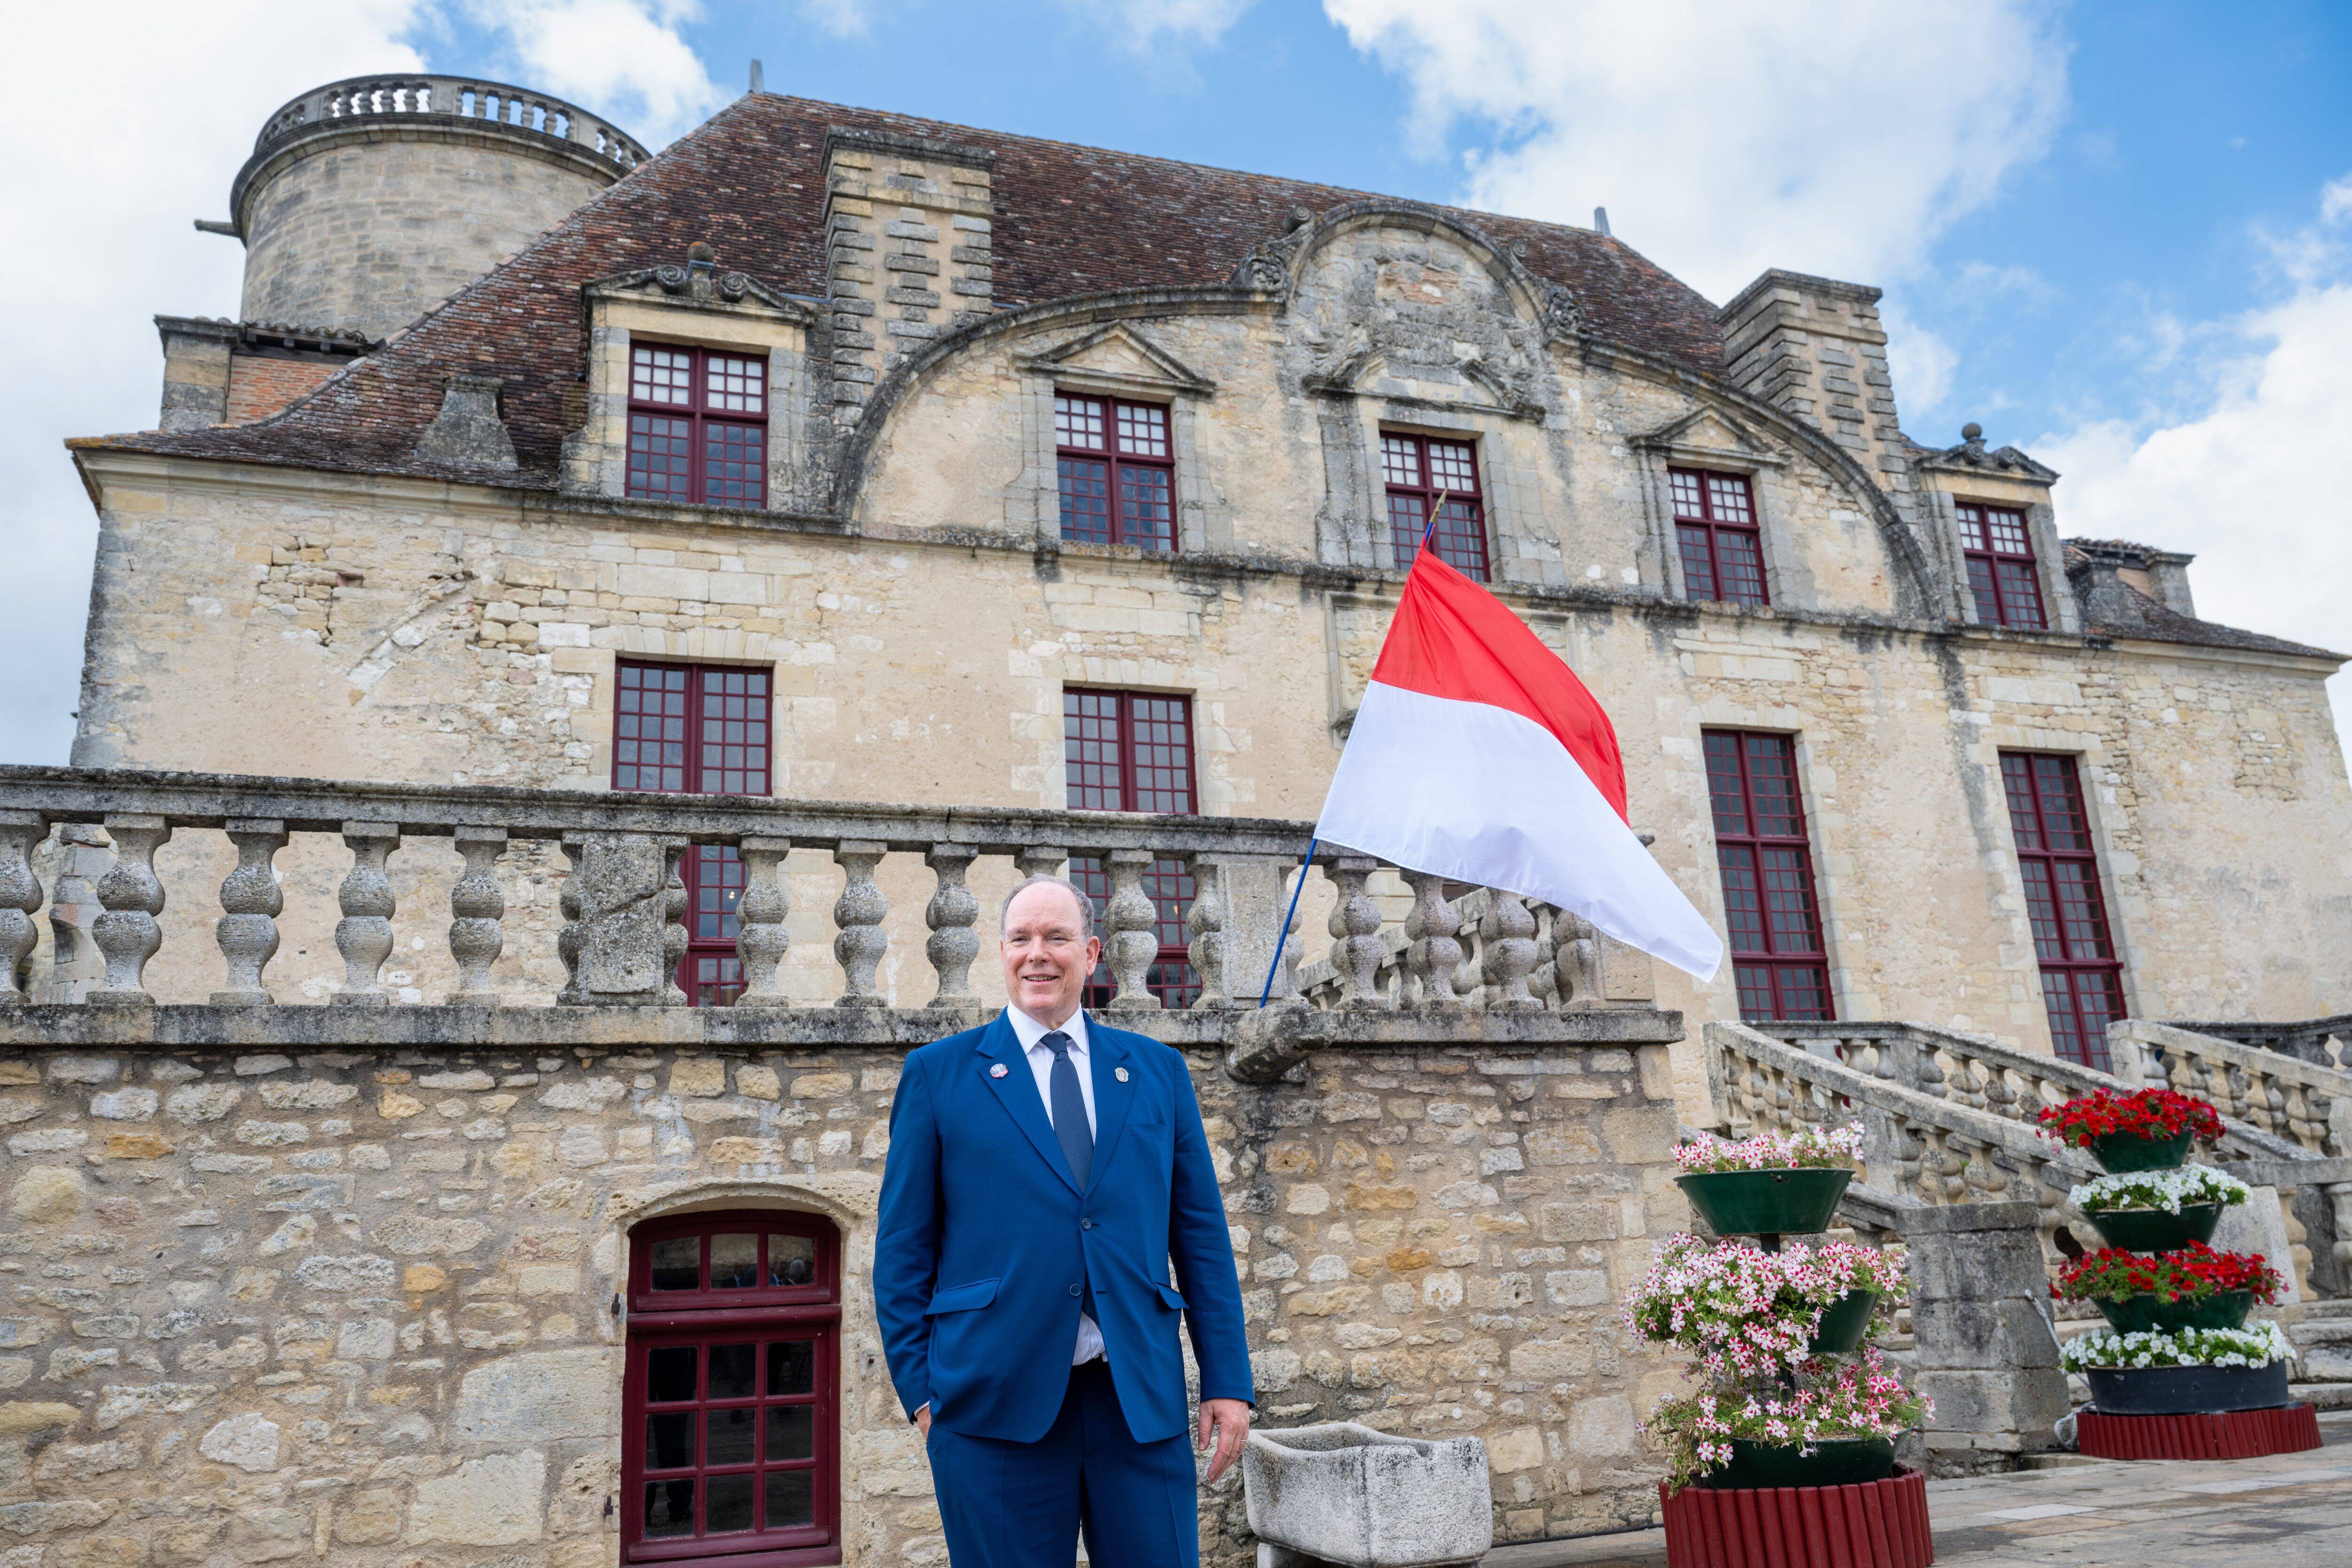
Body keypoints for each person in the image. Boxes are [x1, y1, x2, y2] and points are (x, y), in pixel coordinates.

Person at [874, 874, 1255, 1568]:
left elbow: (1200, 1236)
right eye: (1021, 938)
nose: (1037, 954)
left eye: (1055, 937)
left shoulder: (1157, 1072)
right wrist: (924, 1397)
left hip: (1136, 1404)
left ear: (1092, 950)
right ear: (1000, 952)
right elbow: (903, 1251)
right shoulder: (939, 1074)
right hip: (993, 1409)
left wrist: (1227, 1379)